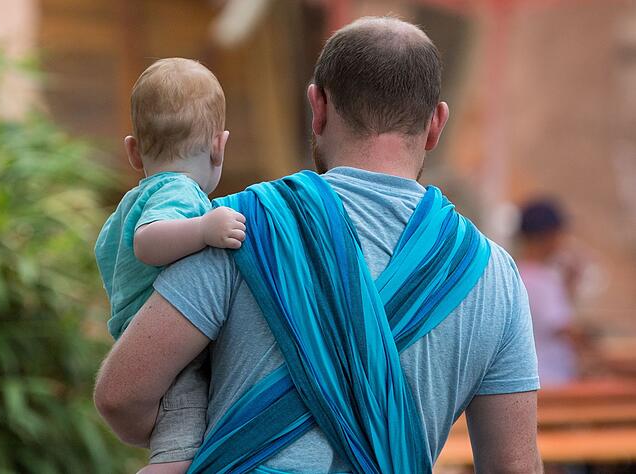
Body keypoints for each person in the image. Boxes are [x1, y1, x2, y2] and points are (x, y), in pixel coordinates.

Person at [95, 17, 542, 472]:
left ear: (318, 107)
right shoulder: (494, 276)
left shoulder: (237, 226)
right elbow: (514, 465)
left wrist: (182, 436)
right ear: (436, 123)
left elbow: (122, 393)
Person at [93, 58, 246, 473]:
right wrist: (203, 230)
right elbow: (147, 243)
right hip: (173, 359)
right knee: (181, 457)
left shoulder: (135, 199)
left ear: (132, 151)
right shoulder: (178, 192)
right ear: (219, 145)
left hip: (141, 341)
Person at [517, 199, 583, 386]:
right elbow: (565, 329)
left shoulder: (517, 273)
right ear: (547, 235)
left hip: (531, 378)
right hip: (552, 381)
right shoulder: (542, 279)